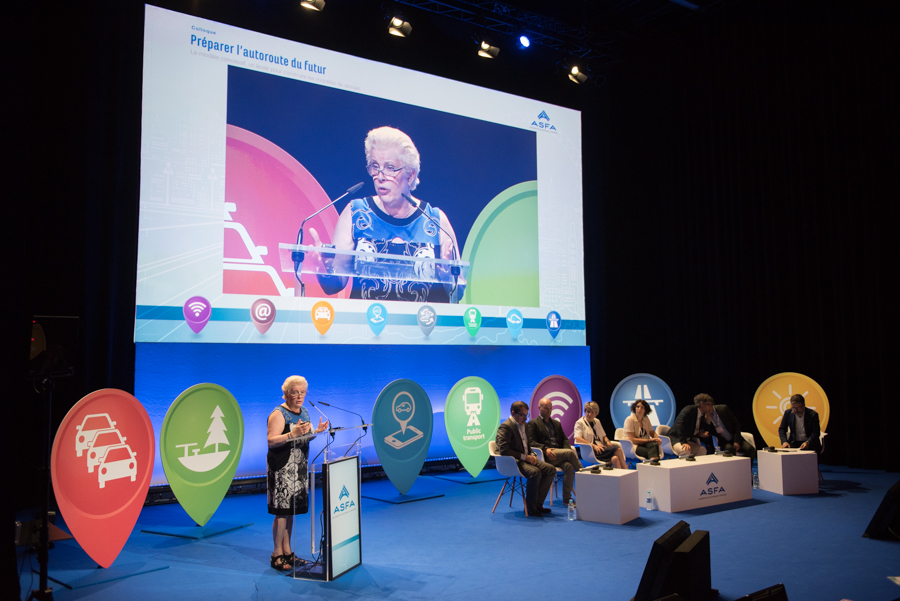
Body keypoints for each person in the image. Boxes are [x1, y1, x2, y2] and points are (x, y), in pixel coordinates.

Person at [309, 126, 463, 303]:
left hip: (423, 327)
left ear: (410, 175)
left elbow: (459, 292)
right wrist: (321, 264)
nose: (380, 176)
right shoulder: (356, 214)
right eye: (375, 166)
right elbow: (334, 285)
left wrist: (447, 276)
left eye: (390, 168)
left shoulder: (434, 220)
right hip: (366, 326)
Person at [266, 376, 329, 571]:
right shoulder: (278, 414)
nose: (299, 396)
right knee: (281, 513)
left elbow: (305, 438)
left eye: (302, 392)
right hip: (282, 469)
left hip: (299, 469)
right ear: (286, 393)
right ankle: (277, 554)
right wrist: (291, 434)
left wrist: (316, 431)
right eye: (295, 392)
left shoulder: (305, 412)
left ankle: (288, 552)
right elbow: (271, 441)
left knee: (291, 511)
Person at [495, 401, 556, 517]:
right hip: (513, 462)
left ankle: (538, 504)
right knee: (535, 472)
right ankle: (531, 509)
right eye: (522, 415)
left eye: (526, 415)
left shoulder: (525, 426)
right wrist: (525, 457)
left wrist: (532, 455)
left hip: (525, 459)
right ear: (513, 413)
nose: (525, 418)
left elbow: (527, 446)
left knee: (550, 469)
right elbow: (504, 450)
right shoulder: (505, 427)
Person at [526, 397, 582, 506]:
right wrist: (545, 449)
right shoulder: (533, 423)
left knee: (569, 466)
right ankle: (585, 474)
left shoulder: (556, 423)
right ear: (539, 408)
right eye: (546, 408)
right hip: (545, 456)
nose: (549, 410)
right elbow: (531, 442)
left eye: (550, 408)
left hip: (559, 454)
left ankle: (566, 498)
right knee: (570, 453)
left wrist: (564, 450)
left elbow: (565, 439)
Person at [573, 401, 626, 469]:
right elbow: (578, 438)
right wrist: (594, 446)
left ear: (596, 413)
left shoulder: (597, 421)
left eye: (592, 412)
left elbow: (604, 436)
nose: (589, 414)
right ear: (585, 411)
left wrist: (607, 441)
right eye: (588, 411)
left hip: (601, 448)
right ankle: (626, 469)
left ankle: (619, 477)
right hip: (591, 450)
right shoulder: (579, 423)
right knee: (618, 450)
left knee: (615, 459)